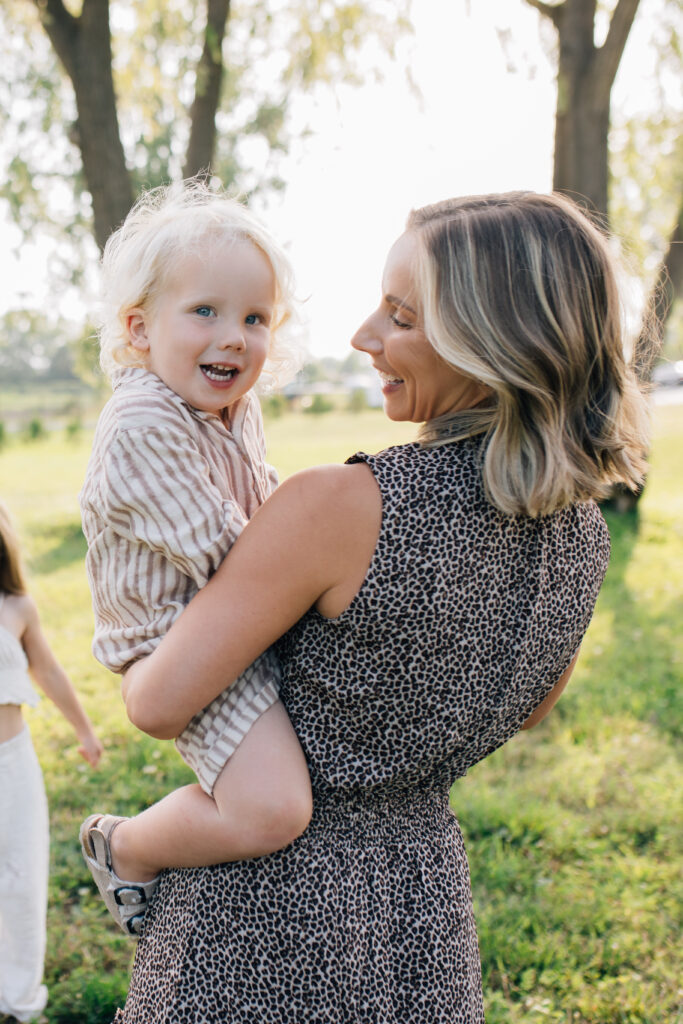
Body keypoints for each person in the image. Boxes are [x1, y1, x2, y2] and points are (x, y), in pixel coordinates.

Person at [112, 191, 649, 1022]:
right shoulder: (581, 536)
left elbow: (156, 700)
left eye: (399, 317)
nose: (363, 336)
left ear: (490, 344)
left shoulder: (339, 508)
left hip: (261, 925)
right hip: (422, 917)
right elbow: (530, 711)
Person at [78, 180, 311, 939]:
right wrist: (320, 573)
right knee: (272, 807)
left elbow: (263, 505)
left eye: (254, 317)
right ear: (140, 330)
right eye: (204, 311)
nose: (235, 336)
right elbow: (228, 553)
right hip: (177, 641)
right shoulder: (143, 421)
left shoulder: (228, 408)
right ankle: (128, 843)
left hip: (232, 616)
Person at [0, 500, 102, 1023]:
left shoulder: (16, 606)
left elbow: (51, 673)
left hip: (10, 763)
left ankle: (19, 998)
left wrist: (84, 729)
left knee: (19, 876)